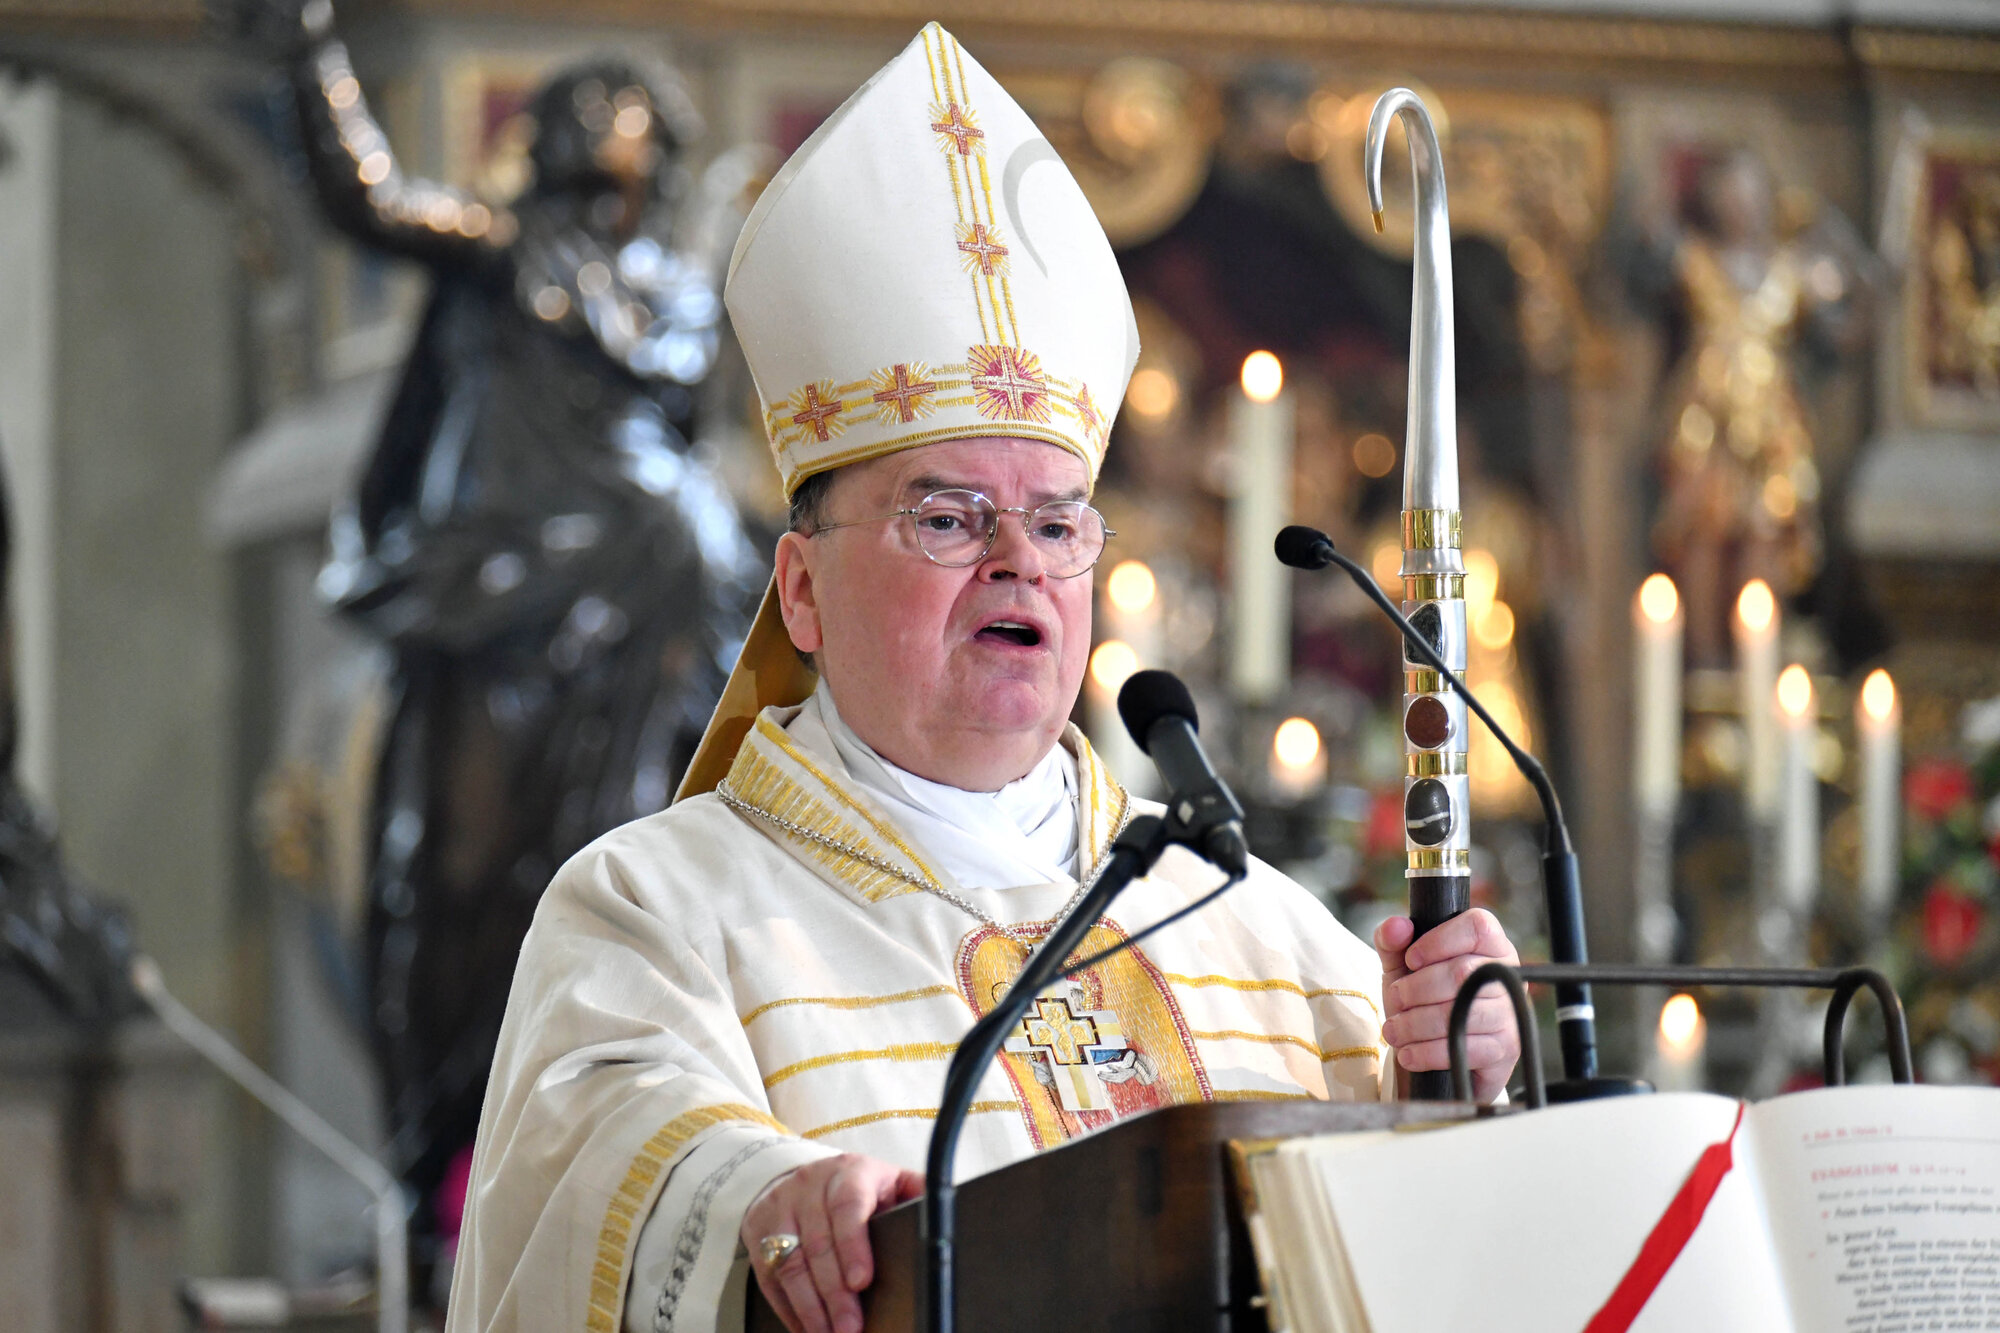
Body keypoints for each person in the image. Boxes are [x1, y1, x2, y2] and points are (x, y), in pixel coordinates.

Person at [445, 24, 1521, 1333]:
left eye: (1061, 522)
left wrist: (1455, 1085)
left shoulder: (1260, 930)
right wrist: (764, 1198)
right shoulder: (656, 906)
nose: (1021, 562)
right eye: (948, 516)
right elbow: (600, 1146)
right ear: (801, 591)